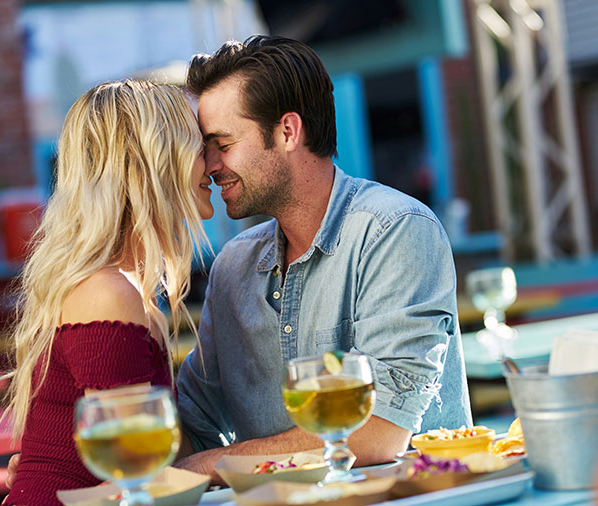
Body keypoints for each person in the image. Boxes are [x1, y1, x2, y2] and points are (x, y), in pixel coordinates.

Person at [172, 35, 472, 480]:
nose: (210, 164)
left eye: (223, 143)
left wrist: (216, 463)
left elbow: (378, 432)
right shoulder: (232, 266)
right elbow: (192, 424)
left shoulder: (395, 229)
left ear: (288, 132)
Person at [1, 79, 213, 506]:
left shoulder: (125, 291)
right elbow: (133, 472)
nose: (212, 162)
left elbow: (156, 457)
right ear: (150, 163)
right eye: (198, 144)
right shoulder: (107, 294)